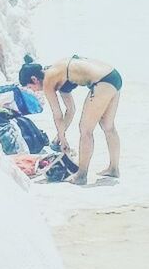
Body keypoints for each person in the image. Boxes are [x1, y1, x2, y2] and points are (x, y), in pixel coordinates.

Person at [19, 53, 122, 184]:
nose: (33, 91)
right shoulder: (57, 74)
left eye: (30, 87)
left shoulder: (48, 81)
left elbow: (57, 114)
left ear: (34, 79)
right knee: (108, 126)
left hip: (102, 82)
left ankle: (81, 175)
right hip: (113, 76)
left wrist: (62, 139)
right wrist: (60, 137)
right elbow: (70, 110)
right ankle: (114, 168)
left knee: (85, 130)